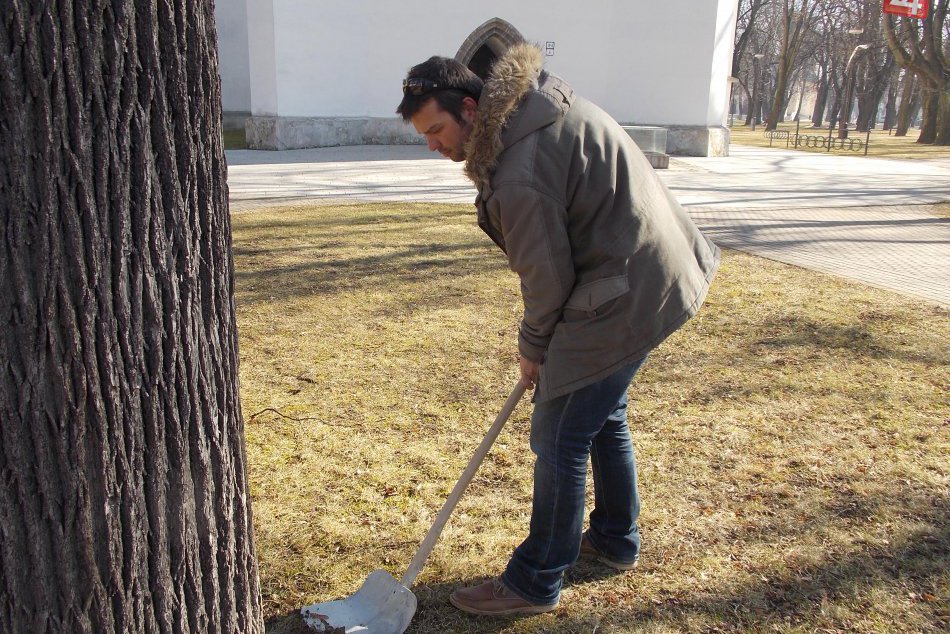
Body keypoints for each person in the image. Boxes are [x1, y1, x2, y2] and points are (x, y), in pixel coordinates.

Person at [396, 43, 720, 616]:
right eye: (425, 135)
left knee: (559, 434)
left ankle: (535, 578)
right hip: (654, 267)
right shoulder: (538, 108)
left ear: (470, 108)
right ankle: (615, 538)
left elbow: (546, 280)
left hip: (626, 287)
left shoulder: (520, 170)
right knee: (600, 413)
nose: (433, 145)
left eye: (437, 130)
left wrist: (534, 348)